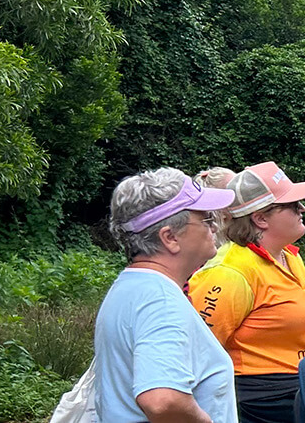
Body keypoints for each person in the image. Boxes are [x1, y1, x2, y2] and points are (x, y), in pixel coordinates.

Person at [96, 168, 240, 423]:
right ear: (170, 237)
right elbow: (163, 400)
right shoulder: (160, 300)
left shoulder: (130, 286)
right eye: (206, 219)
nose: (215, 227)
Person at [188, 162, 305, 423]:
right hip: (264, 405)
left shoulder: (287, 255)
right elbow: (196, 355)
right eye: (292, 204)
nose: (302, 209)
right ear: (260, 218)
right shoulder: (229, 272)